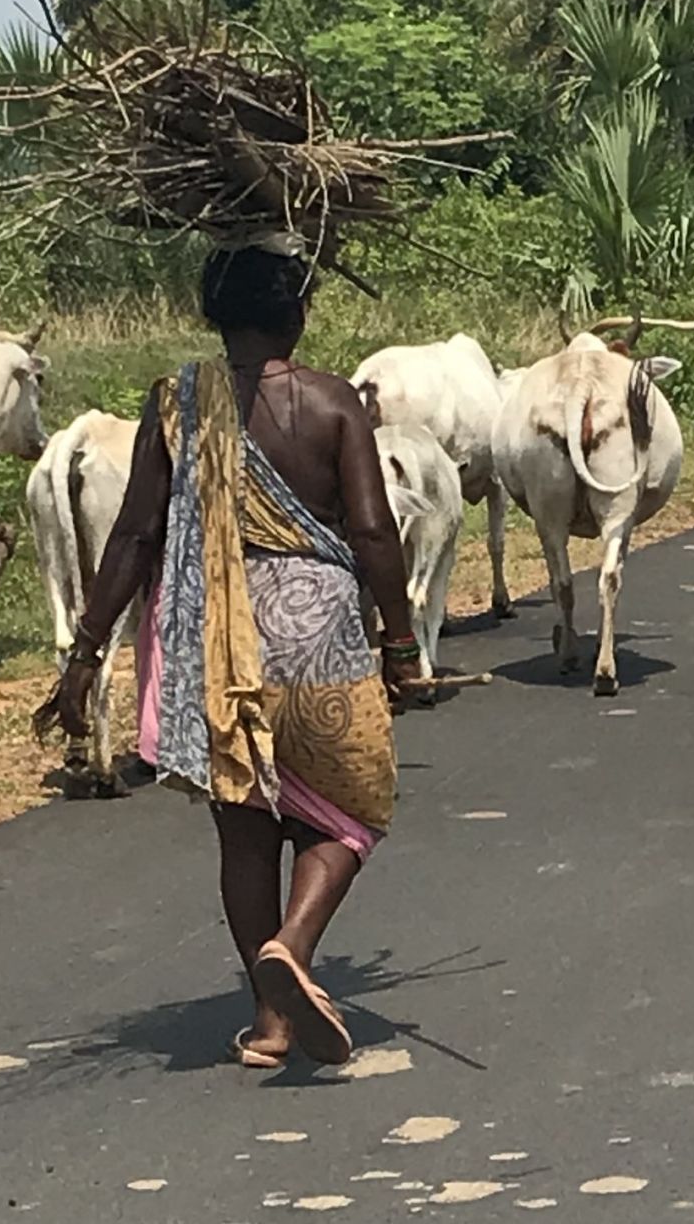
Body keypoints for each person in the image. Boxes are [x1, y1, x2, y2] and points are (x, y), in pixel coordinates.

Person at [46, 241, 420, 1068]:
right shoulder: (333, 404)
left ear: (214, 317)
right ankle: (294, 943)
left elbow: (137, 533)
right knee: (352, 810)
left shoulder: (177, 404)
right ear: (299, 315)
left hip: (217, 639)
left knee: (246, 831)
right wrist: (399, 640)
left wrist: (85, 650)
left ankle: (272, 1021)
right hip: (319, 635)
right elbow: (370, 531)